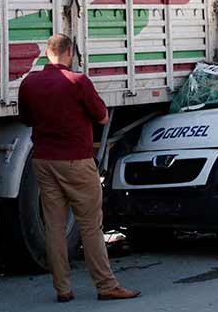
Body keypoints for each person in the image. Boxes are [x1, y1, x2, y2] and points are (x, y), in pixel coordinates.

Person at [18, 34, 141, 302]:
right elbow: (102, 115)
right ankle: (106, 285)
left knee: (54, 226)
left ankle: (62, 289)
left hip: (43, 161)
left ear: (47, 53)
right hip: (75, 161)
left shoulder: (29, 83)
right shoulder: (78, 82)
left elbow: (26, 119)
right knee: (90, 225)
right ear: (69, 53)